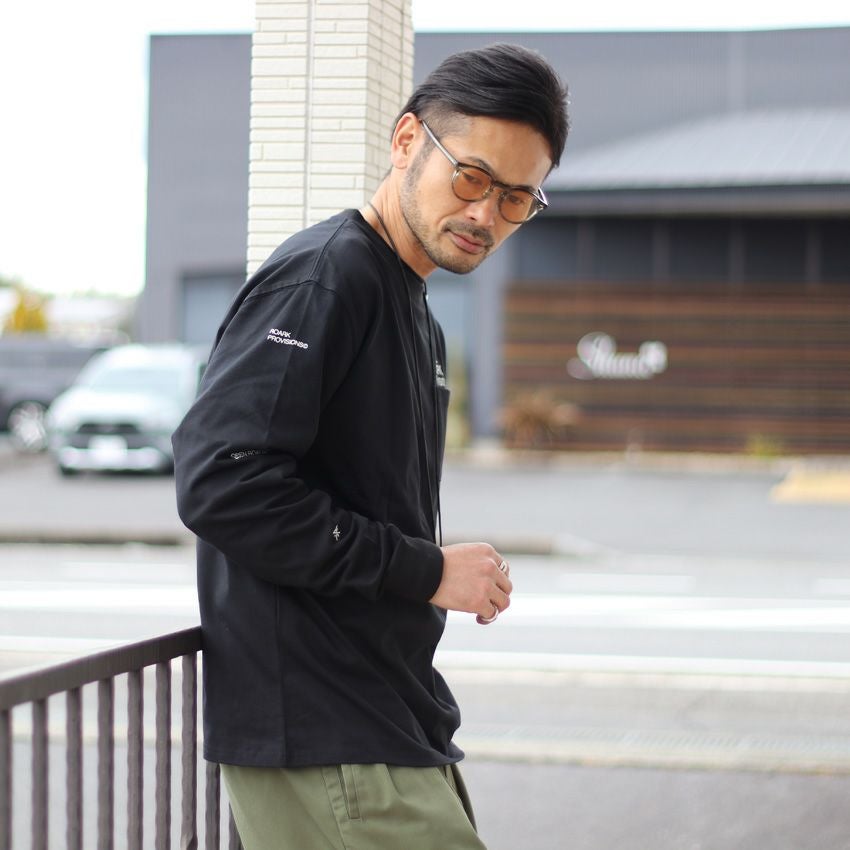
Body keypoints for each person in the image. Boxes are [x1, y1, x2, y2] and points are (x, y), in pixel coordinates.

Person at [172, 41, 568, 850]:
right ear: (406, 140)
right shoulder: (328, 276)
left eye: (516, 199)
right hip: (329, 731)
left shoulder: (414, 310)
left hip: (385, 720)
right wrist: (427, 570)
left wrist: (432, 568)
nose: (486, 216)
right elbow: (222, 481)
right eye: (472, 178)